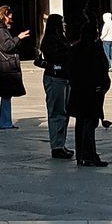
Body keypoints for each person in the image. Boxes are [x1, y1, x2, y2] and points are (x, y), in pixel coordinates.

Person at [67, 19, 110, 165]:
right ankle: (89, 155)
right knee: (90, 122)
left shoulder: (75, 48)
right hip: (92, 91)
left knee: (80, 122)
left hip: (78, 90)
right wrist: (103, 85)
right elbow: (102, 68)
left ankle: (81, 155)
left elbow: (70, 69)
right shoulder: (96, 48)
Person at [0, 5, 29, 130]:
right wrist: (18, 38)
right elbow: (6, 46)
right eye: (9, 17)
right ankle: (4, 122)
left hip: (4, 66)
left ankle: (5, 121)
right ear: (3, 16)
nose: (11, 20)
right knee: (6, 95)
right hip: (5, 67)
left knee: (6, 96)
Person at [39, 14, 73, 159]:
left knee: (64, 112)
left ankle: (61, 143)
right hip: (55, 77)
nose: (64, 24)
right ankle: (56, 146)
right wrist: (70, 52)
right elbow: (56, 56)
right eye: (62, 22)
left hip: (64, 77)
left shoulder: (61, 38)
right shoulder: (50, 40)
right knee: (56, 112)